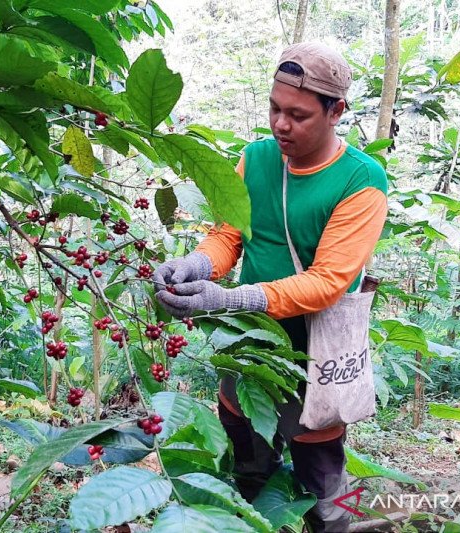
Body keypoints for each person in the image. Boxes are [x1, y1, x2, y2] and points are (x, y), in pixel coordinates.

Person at [152, 42, 388, 532]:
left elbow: (327, 283)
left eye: (298, 115)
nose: (281, 124)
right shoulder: (255, 159)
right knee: (248, 466)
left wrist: (227, 299)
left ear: (336, 111)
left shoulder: (362, 181)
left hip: (313, 351)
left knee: (323, 487)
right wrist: (195, 266)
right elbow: (228, 235)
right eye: (275, 109)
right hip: (250, 345)